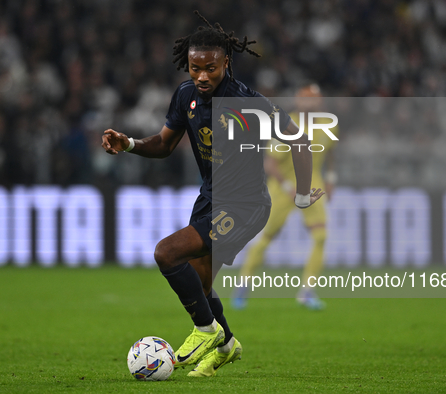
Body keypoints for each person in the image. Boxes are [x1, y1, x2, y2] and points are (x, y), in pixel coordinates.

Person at [101, 11, 324, 377]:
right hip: (211, 200)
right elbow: (163, 144)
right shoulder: (186, 95)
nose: (202, 76)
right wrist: (128, 143)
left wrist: (301, 196)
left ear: (226, 63)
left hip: (247, 205)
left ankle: (206, 331)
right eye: (194, 68)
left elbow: (298, 139)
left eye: (211, 68)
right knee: (200, 284)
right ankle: (226, 344)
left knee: (167, 253)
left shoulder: (248, 103)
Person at [233, 84, 338, 311]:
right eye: (306, 99)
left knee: (320, 236)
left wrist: (330, 178)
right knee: (266, 238)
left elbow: (330, 153)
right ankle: (243, 285)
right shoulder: (286, 125)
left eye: (315, 99)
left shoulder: (329, 124)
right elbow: (270, 163)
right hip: (282, 189)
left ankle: (307, 292)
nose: (311, 103)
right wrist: (291, 188)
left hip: (313, 187)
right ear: (298, 101)